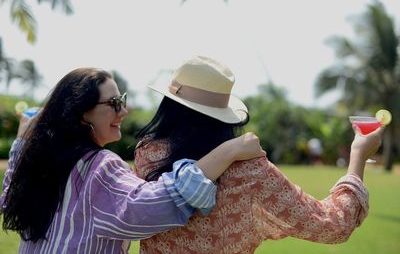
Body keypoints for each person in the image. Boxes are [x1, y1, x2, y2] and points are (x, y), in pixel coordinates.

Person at [134, 56, 384, 253]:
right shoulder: (249, 170)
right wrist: (358, 155)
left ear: (169, 104)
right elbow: (333, 225)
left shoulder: (147, 154)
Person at [0, 67, 266, 253]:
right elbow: (152, 205)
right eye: (114, 102)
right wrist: (230, 150)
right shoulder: (98, 167)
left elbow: (9, 196)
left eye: (122, 100)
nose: (124, 110)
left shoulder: (41, 161)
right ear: (82, 113)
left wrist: (22, 142)